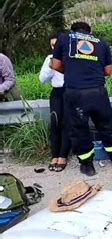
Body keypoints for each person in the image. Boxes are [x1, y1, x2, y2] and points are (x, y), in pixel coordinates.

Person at [51, 22, 112, 176]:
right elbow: (108, 71)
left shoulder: (64, 38)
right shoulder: (101, 42)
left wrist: (71, 71)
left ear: (73, 30)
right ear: (90, 32)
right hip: (98, 92)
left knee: (79, 129)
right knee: (106, 124)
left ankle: (87, 166)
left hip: (75, 93)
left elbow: (55, 65)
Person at [39, 32, 71, 172]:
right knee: (55, 122)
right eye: (52, 45)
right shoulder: (49, 58)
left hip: (70, 91)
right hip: (57, 93)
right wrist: (53, 67)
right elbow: (42, 79)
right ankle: (55, 154)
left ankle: (63, 155)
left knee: (67, 123)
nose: (54, 48)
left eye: (57, 45)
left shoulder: (71, 56)